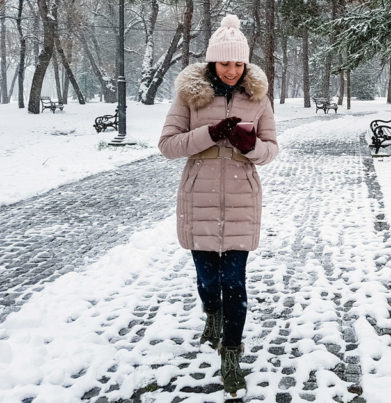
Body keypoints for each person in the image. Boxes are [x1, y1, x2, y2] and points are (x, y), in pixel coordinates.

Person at [158, 14, 278, 400]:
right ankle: (211, 312)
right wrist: (207, 133)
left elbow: (271, 149)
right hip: (199, 200)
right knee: (209, 281)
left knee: (235, 283)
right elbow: (167, 146)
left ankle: (231, 354)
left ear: (245, 64)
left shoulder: (258, 97)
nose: (232, 70)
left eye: (238, 63)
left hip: (242, 197)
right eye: (225, 63)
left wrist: (251, 147)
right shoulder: (189, 95)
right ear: (212, 62)